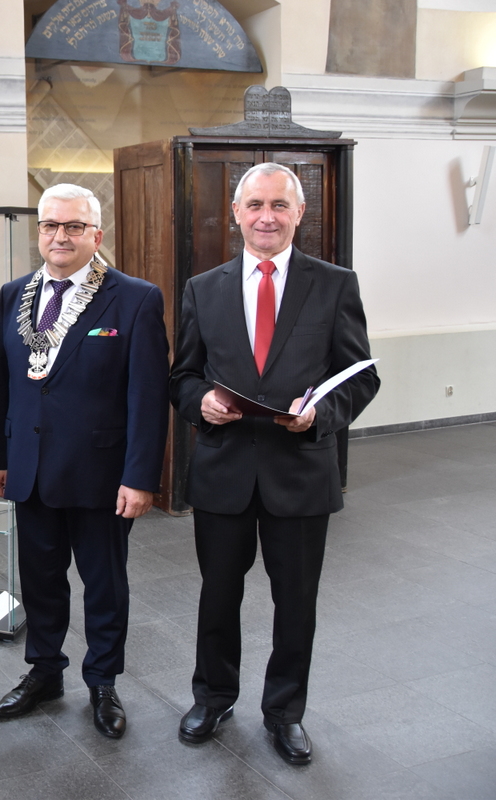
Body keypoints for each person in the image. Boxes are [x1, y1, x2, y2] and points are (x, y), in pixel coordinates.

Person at [170, 163, 380, 765]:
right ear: (236, 213)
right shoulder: (202, 288)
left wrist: (321, 414)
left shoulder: (335, 284)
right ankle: (213, 696)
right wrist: (201, 401)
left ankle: (285, 712)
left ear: (299, 213)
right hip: (223, 472)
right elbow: (182, 375)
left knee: (296, 603)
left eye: (279, 206)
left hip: (300, 472)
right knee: (217, 596)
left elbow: (361, 376)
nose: (267, 216)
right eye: (255, 204)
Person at [0, 183, 169, 738]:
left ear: (97, 235)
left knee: (104, 585)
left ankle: (103, 681)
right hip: (32, 470)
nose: (59, 236)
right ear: (38, 231)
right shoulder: (14, 293)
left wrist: (140, 477)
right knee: (41, 581)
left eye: (73, 227)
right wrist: (0, 456)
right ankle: (44, 672)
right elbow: (4, 383)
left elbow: (147, 394)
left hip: (101, 476)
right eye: (50, 226)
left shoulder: (135, 298)